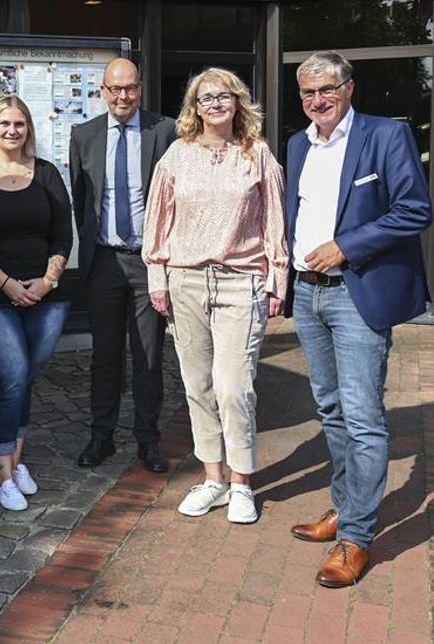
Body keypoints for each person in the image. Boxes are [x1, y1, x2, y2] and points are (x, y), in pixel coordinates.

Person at [285, 51, 432, 587]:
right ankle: (345, 509)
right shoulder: (298, 143)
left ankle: (358, 540)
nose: (317, 101)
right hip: (307, 293)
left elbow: (415, 209)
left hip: (355, 293)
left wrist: (345, 247)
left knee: (364, 418)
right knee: (329, 409)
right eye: (307, 93)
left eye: (326, 89)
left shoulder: (384, 136)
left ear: (348, 87)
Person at [143, 68, 288, 524]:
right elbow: (157, 221)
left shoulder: (258, 154)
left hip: (239, 282)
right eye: (206, 98)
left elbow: (275, 223)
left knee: (234, 386)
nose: (215, 104)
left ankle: (243, 483)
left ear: (239, 102)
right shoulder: (176, 157)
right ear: (194, 107)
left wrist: (277, 278)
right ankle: (213, 479)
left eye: (223, 96)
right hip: (185, 281)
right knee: (199, 387)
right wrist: (158, 277)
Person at [69, 58, 177, 471]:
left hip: (147, 263)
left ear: (141, 88)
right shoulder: (84, 134)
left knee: (149, 357)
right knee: (105, 356)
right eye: (114, 89)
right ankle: (102, 437)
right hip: (104, 263)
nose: (122, 97)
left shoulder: (163, 130)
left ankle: (148, 440)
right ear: (102, 91)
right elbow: (83, 200)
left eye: (129, 88)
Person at [0, 97, 73, 511]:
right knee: (9, 376)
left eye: (20, 124)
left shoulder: (46, 174)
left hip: (46, 299)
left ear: (29, 129)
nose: (12, 131)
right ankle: (3, 473)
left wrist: (47, 282)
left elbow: (63, 235)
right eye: (5, 123)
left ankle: (16, 458)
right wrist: (8, 284)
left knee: (26, 377)